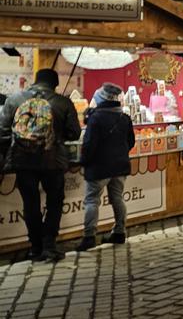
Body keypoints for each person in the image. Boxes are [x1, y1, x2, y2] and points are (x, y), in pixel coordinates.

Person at [0, 69, 81, 262]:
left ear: (35, 81)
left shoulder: (14, 100)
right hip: (53, 160)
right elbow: (75, 133)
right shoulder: (63, 102)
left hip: (23, 160)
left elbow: (2, 132)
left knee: (30, 204)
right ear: (55, 84)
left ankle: (35, 247)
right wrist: (57, 133)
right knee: (54, 202)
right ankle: (49, 246)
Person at [77, 83, 136, 252]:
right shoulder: (124, 117)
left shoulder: (96, 118)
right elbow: (130, 142)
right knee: (117, 197)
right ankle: (119, 232)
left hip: (99, 168)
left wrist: (84, 161)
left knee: (91, 200)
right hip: (120, 166)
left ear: (100, 98)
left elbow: (89, 145)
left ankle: (89, 237)